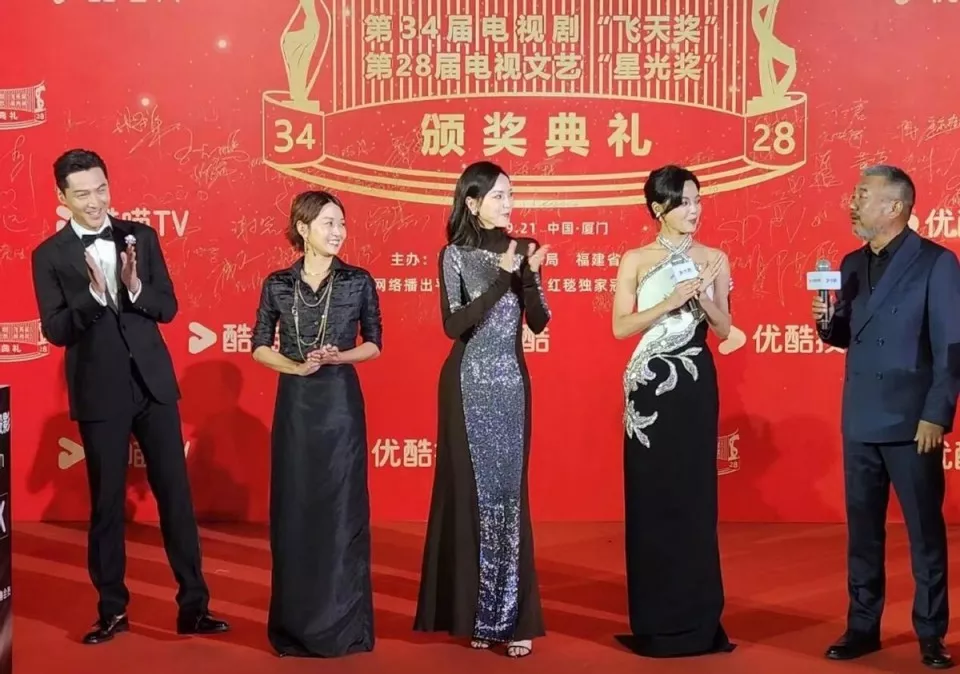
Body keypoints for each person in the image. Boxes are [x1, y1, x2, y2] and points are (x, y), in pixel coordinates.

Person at [30, 149, 229, 644]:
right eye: (82, 194)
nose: (95, 201)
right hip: (100, 393)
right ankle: (113, 611)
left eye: (101, 188)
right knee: (107, 505)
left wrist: (135, 287)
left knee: (176, 498)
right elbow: (56, 330)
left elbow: (168, 307)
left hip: (153, 386)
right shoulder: (49, 255)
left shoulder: (141, 237)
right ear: (62, 197)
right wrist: (94, 297)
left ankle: (194, 607)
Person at [813, 165, 960, 670]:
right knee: (863, 534)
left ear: (894, 206)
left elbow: (951, 346)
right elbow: (843, 333)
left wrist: (936, 414)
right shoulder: (851, 262)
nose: (852, 203)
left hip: (912, 423)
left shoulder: (936, 263)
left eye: (862, 195)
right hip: (860, 418)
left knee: (924, 534)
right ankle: (862, 626)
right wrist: (826, 321)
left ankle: (930, 632)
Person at [413, 161, 550, 658]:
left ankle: (514, 619)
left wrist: (527, 277)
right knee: (470, 498)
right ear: (472, 204)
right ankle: (477, 615)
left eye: (510, 194)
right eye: (497, 196)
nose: (507, 203)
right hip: (465, 383)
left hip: (510, 384)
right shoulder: (455, 255)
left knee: (508, 499)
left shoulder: (525, 248)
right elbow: (455, 326)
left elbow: (539, 321)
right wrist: (500, 281)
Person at [251, 189, 382, 658]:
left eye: (341, 223)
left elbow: (375, 343)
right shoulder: (277, 284)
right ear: (303, 229)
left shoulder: (358, 281)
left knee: (342, 510)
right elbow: (259, 345)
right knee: (296, 508)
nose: (338, 232)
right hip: (296, 404)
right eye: (328, 223)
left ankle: (344, 627)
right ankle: (295, 626)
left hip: (340, 405)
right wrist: (295, 366)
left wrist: (339, 357)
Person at [610, 164, 735, 658]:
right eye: (684, 202)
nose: (694, 210)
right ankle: (655, 621)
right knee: (652, 498)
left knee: (694, 497)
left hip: (694, 386)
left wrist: (701, 297)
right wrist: (669, 301)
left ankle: (698, 621)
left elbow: (724, 329)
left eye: (698, 200)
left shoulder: (715, 259)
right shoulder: (636, 260)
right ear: (658, 208)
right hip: (647, 390)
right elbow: (621, 327)